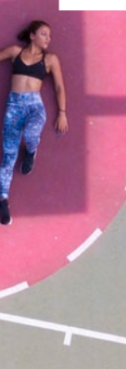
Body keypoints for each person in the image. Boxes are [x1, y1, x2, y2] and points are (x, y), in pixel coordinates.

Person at [0, 20, 68, 226]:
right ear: (32, 36)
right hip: (14, 106)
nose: (49, 38)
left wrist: (62, 113)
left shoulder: (50, 59)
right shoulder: (14, 52)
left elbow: (58, 87)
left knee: (31, 134)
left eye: (50, 35)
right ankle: (3, 199)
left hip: (34, 107)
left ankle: (31, 151)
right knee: (8, 154)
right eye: (44, 34)